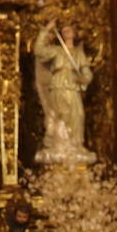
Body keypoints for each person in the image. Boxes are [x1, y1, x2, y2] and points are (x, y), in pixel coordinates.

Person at [33, 21, 95, 165]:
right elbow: (39, 51)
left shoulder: (78, 54)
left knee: (78, 115)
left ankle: (75, 145)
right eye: (64, 31)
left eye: (69, 30)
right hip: (58, 87)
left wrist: (83, 79)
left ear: (74, 33)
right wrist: (45, 31)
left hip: (73, 87)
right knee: (62, 115)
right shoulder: (57, 51)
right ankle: (60, 145)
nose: (67, 33)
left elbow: (87, 74)